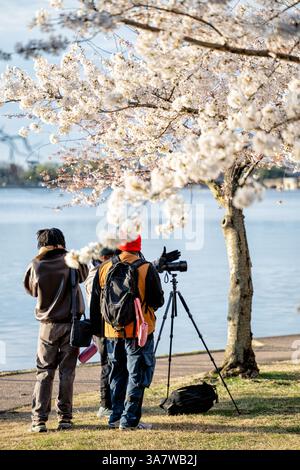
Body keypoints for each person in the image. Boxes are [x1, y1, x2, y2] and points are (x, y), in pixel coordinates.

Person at [90, 235, 164, 430]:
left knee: (117, 373)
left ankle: (115, 416)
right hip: (139, 332)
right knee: (137, 374)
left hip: (111, 331)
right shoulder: (146, 268)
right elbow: (158, 300)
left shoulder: (103, 268)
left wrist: (98, 331)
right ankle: (129, 420)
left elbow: (96, 303)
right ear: (138, 245)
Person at [24, 228, 88, 433]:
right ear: (62, 242)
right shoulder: (73, 261)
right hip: (72, 325)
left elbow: (31, 290)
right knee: (67, 373)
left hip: (48, 327)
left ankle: (39, 420)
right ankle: (65, 418)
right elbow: (84, 275)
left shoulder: (36, 265)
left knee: (44, 372)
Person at [85, 247, 115, 419]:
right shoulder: (97, 274)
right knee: (107, 365)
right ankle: (105, 405)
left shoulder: (97, 271)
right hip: (101, 326)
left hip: (102, 325)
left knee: (111, 364)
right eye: (112, 256)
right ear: (105, 257)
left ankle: (111, 402)